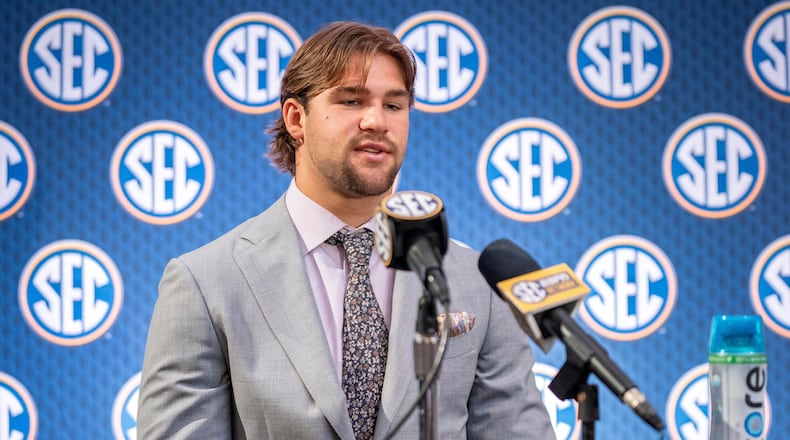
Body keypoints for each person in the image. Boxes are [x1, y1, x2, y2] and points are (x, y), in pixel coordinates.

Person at [137, 21, 556, 439]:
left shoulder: (475, 280)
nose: (376, 121)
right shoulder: (207, 282)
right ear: (296, 118)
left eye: (394, 105)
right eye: (352, 101)